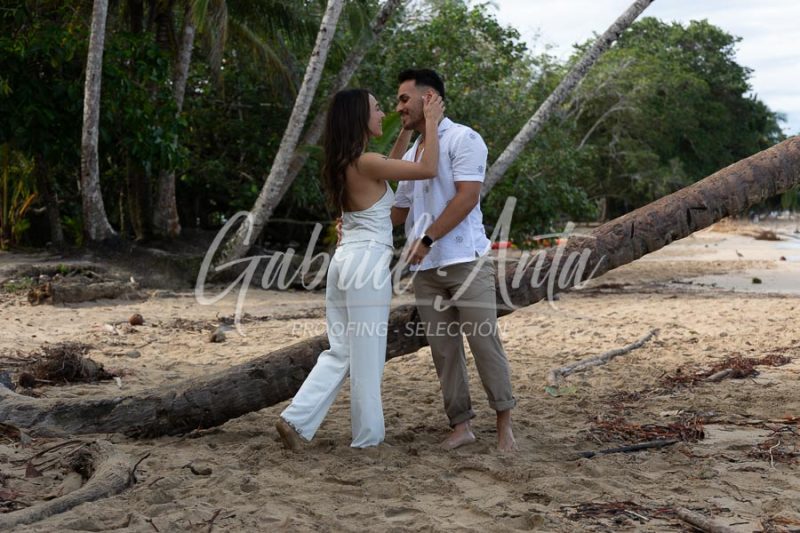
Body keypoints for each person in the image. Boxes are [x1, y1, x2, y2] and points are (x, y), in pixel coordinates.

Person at [276, 88, 445, 450]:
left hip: (344, 263)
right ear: (359, 118)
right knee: (367, 357)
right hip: (366, 264)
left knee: (341, 350)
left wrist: (406, 132)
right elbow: (427, 169)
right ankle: (368, 439)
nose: (384, 113)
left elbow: (388, 167)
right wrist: (430, 122)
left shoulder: (349, 162)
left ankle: (296, 419)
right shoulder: (367, 162)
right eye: (377, 108)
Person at [390, 69, 517, 452]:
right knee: (444, 351)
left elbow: (467, 197)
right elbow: (398, 211)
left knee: (484, 342)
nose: (398, 107)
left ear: (428, 98)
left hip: (465, 260)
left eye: (404, 99)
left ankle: (505, 425)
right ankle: (461, 426)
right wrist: (356, 217)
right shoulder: (413, 154)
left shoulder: (464, 138)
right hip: (426, 270)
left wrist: (428, 238)